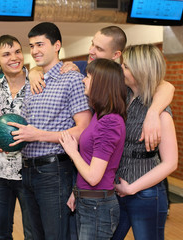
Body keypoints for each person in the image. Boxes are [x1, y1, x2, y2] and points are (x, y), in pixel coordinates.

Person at [29, 25, 175, 152]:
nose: (91, 51)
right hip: (78, 148)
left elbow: (166, 86)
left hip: (107, 149)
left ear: (116, 55)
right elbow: (49, 66)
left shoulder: (121, 75)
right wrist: (34, 72)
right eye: (92, 44)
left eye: (98, 48)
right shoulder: (78, 68)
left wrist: (153, 113)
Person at [8, 22, 92, 240]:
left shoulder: (71, 79)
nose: (34, 50)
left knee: (56, 236)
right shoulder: (32, 81)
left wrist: (38, 135)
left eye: (40, 44)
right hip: (26, 171)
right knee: (33, 236)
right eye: (31, 46)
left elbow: (83, 130)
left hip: (53, 172)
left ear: (57, 45)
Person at [112, 44, 178, 240]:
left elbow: (170, 163)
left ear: (141, 71)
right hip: (118, 190)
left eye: (126, 66)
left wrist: (132, 188)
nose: (121, 69)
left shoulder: (161, 113)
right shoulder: (124, 97)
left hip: (146, 194)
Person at [60, 58, 127, 239]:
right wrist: (77, 191)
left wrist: (72, 152)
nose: (83, 79)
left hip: (98, 206)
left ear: (101, 83)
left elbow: (93, 176)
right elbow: (89, 162)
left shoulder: (110, 122)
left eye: (88, 76)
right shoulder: (100, 116)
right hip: (89, 201)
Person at [0, 35, 32, 240]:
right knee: (0, 234)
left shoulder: (38, 83)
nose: (14, 58)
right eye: (6, 54)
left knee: (33, 232)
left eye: (17, 52)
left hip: (30, 173)